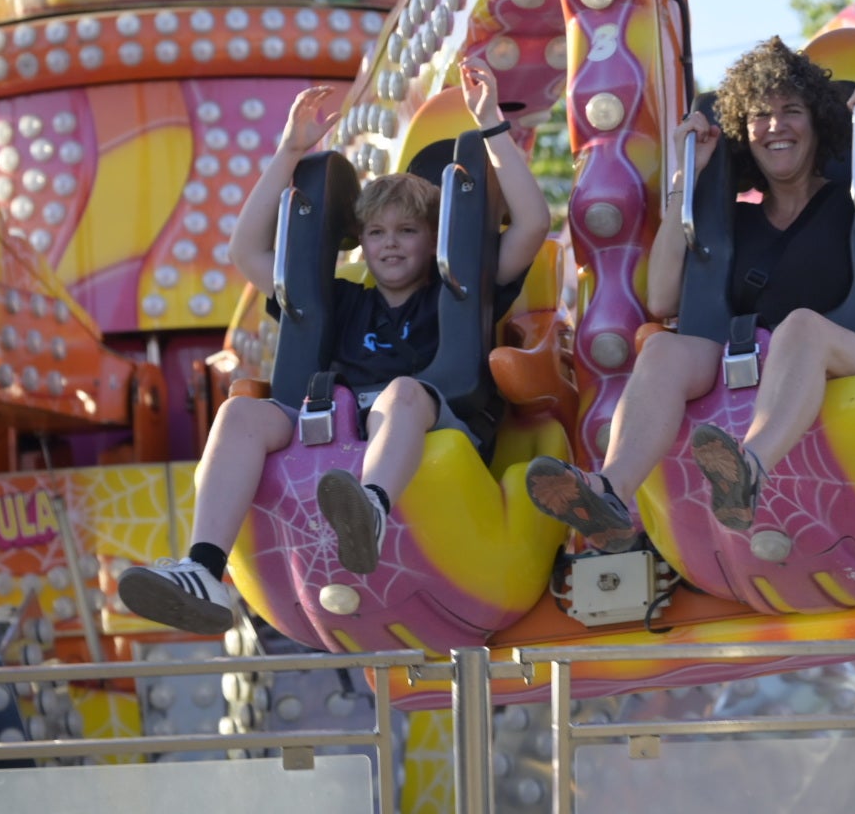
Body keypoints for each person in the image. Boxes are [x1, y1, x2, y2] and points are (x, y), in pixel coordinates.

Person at [117, 59, 549, 634]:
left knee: (403, 393)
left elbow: (534, 224)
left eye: (407, 231)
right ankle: (204, 570)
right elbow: (245, 250)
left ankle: (367, 509)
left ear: (435, 237)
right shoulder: (342, 301)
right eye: (376, 233)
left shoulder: (460, 291)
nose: (390, 246)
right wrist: (289, 153)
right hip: (333, 425)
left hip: (428, 424)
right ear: (360, 243)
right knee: (241, 413)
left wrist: (492, 125)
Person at [525, 36, 855, 552]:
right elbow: (662, 300)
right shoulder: (735, 224)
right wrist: (686, 178)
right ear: (743, 135)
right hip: (752, 365)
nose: (775, 126)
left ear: (818, 123)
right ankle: (610, 491)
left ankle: (747, 468)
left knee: (801, 326)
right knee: (661, 347)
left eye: (791, 111)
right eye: (758, 116)